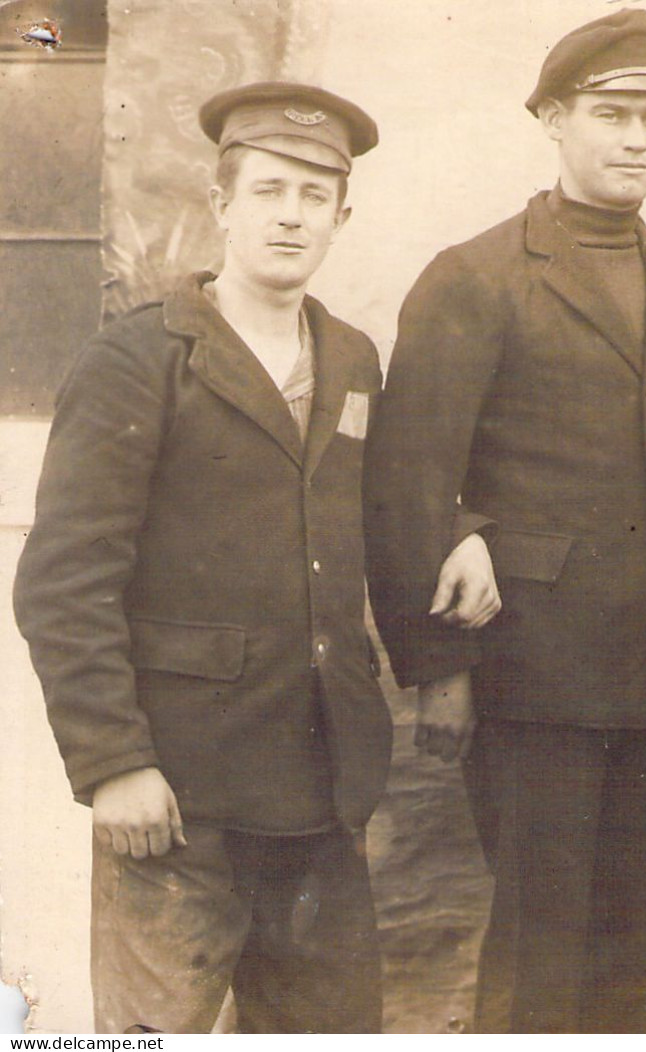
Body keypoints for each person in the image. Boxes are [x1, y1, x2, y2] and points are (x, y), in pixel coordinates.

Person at [362, 9, 646, 1033]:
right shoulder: (475, 276)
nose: (635, 139)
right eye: (612, 114)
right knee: (541, 944)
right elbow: (411, 482)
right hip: (534, 676)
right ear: (552, 119)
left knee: (637, 935)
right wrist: (441, 669)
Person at [13, 82, 390, 1033]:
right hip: (177, 799)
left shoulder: (351, 360)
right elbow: (64, 581)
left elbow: (368, 521)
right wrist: (112, 764)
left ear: (343, 217)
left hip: (318, 791)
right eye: (269, 190)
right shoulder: (138, 360)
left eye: (315, 197)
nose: (291, 216)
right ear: (223, 204)